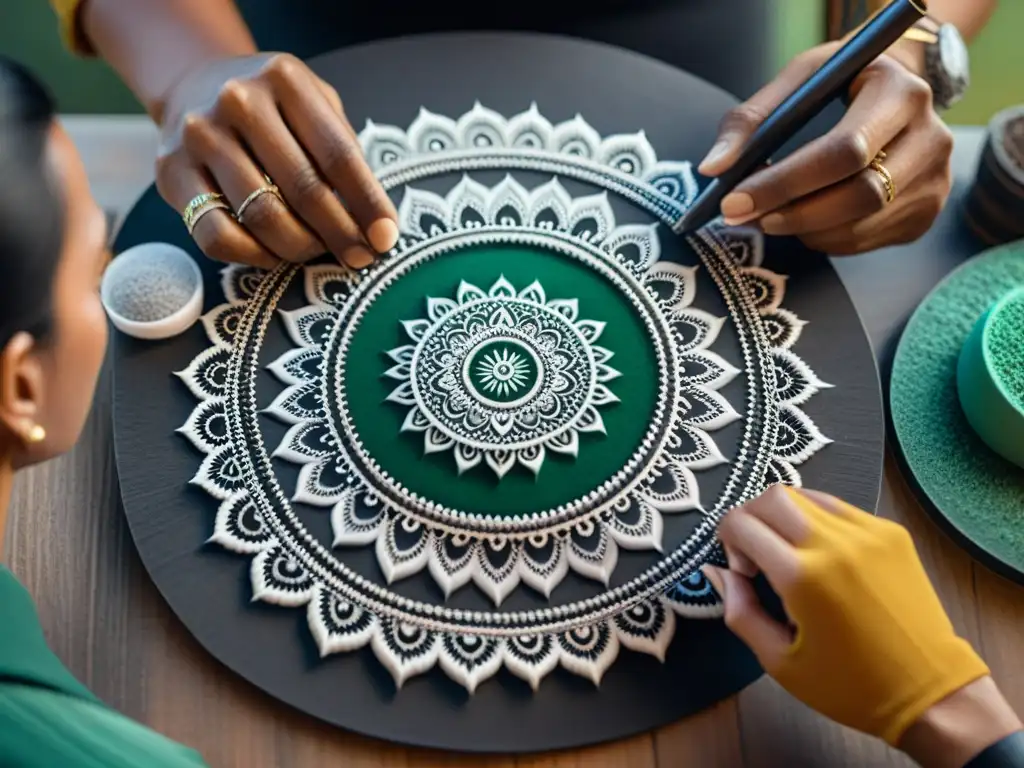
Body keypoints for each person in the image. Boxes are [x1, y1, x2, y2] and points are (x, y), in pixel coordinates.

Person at [48, 0, 997, 270]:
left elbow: (909, 22)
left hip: (718, 106)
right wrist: (190, 76)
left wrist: (905, 52)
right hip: (308, 85)